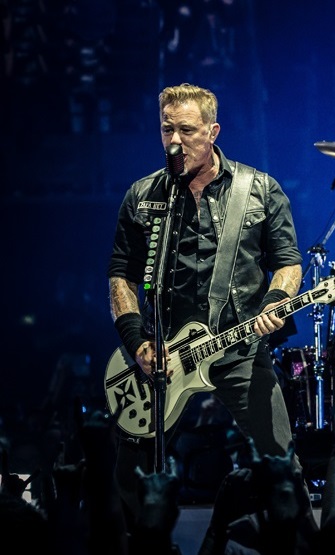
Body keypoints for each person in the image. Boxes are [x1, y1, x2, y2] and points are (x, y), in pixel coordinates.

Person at [107, 83, 303, 526]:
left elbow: (288, 263)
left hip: (239, 351)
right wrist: (138, 343)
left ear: (213, 132)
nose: (175, 141)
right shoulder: (143, 195)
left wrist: (275, 301)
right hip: (165, 357)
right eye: (167, 129)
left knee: (282, 468)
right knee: (128, 477)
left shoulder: (259, 189)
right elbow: (121, 276)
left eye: (187, 130)